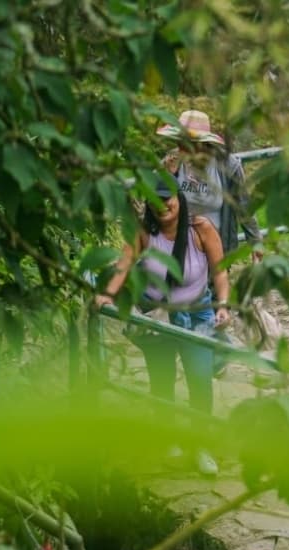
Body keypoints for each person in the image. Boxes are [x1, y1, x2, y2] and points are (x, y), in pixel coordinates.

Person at [96, 181, 230, 476]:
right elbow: (124, 264)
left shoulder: (201, 229)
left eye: (167, 199)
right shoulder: (144, 232)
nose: (163, 206)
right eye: (156, 201)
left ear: (178, 199)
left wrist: (223, 305)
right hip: (159, 316)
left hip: (197, 314)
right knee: (162, 379)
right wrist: (107, 293)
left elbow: (220, 272)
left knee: (199, 379)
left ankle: (200, 445)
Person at [157, 110, 262, 258]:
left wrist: (255, 242)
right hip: (177, 245)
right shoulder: (172, 161)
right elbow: (155, 205)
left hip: (216, 247)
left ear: (203, 144)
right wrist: (168, 176)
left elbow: (243, 205)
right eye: (179, 140)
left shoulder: (227, 165)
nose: (181, 147)